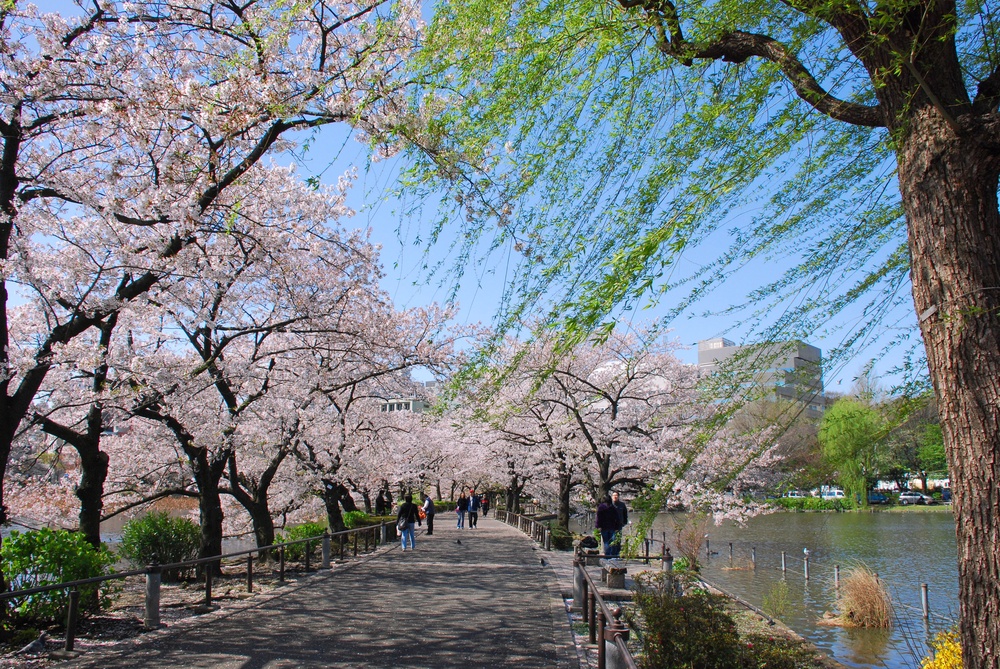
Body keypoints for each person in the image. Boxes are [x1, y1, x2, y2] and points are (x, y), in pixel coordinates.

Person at [611, 492, 628, 557]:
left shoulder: (622, 505)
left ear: (618, 496)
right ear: (612, 497)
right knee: (611, 539)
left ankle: (617, 554)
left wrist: (624, 522)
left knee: (618, 540)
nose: (615, 497)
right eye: (614, 495)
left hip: (619, 525)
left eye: (616, 495)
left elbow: (625, 514)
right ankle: (611, 555)